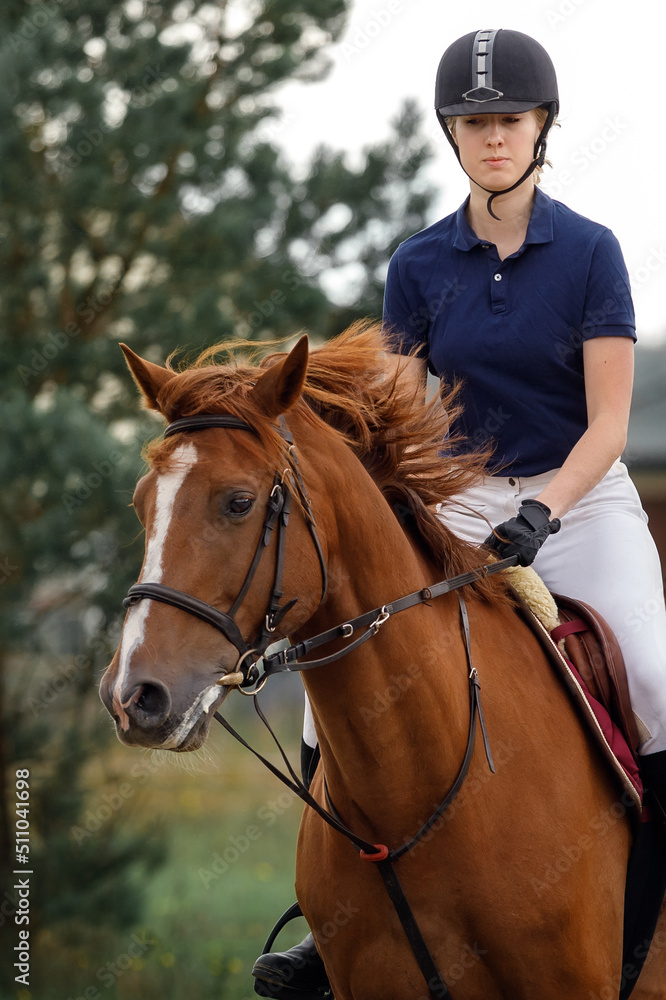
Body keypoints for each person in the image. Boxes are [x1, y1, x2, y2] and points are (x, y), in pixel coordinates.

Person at [252, 28, 666, 999]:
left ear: (541, 127)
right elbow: (402, 419)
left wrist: (547, 514)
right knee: (337, 680)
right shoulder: (418, 265)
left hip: (584, 495)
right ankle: (331, 924)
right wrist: (429, 510)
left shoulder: (593, 254)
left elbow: (608, 424)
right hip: (464, 497)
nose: (492, 138)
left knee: (656, 676)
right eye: (475, 123)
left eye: (509, 120)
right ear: (454, 132)